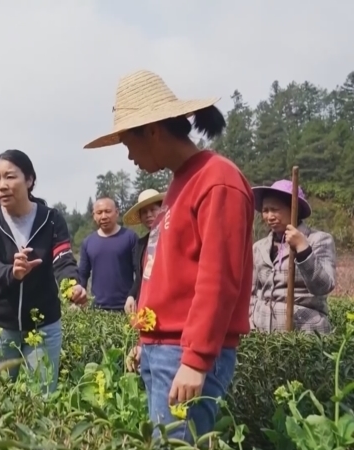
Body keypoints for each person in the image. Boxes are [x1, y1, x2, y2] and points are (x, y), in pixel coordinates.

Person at [84, 70, 253, 443]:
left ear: (153, 131)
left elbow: (218, 279)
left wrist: (195, 360)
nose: (128, 156)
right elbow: (166, 274)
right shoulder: (180, 183)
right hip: (165, 348)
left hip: (185, 352)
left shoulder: (216, 180)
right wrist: (145, 339)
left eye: (128, 142)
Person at [0, 149, 87, 395]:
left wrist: (72, 284)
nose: (2, 185)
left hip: (44, 324)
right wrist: (12, 272)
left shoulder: (52, 219)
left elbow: (63, 257)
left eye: (10, 177)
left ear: (29, 180)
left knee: (43, 396)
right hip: (1, 326)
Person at [250, 180, 336, 333]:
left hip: (305, 333)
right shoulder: (259, 247)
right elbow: (251, 292)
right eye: (265, 210)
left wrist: (303, 249)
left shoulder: (318, 240)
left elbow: (323, 287)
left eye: (275, 209)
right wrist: (251, 320)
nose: (269, 217)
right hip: (263, 336)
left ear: (294, 209)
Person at [77, 197, 137, 312]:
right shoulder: (88, 242)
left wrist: (133, 296)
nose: (104, 216)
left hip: (127, 307)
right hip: (97, 309)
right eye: (99, 213)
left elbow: (140, 272)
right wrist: (79, 297)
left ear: (117, 212)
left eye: (108, 211)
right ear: (94, 216)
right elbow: (83, 274)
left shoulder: (130, 237)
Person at [122, 189, 165, 314]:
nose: (149, 215)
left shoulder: (173, 236)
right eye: (144, 212)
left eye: (153, 209)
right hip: (148, 305)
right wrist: (132, 295)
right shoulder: (141, 244)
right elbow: (141, 276)